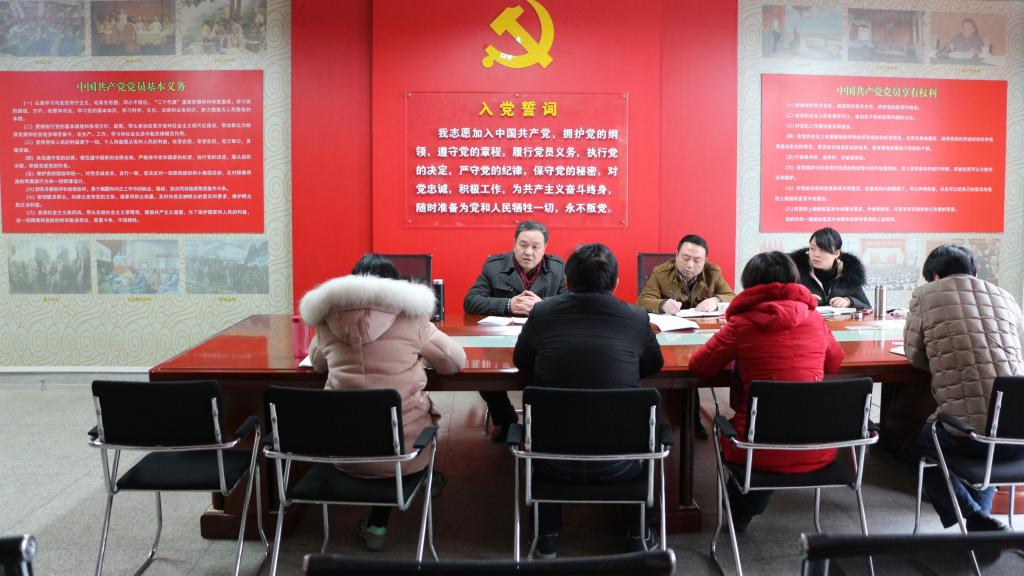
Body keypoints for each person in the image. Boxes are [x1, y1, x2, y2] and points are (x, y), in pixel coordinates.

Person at [299, 254, 467, 551]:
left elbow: (317, 362)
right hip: (403, 452)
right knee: (401, 419)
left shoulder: (327, 319)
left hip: (342, 450)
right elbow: (454, 362)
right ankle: (413, 492)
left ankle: (377, 525)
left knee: (372, 421)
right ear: (396, 284)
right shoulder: (413, 318)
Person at [513, 243, 664, 558]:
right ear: (616, 282)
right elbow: (652, 365)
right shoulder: (637, 317)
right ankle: (637, 534)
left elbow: (522, 361)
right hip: (622, 463)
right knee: (645, 433)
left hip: (551, 462)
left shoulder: (542, 312)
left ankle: (546, 536)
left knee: (552, 429)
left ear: (567, 281)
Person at [689, 251, 845, 531]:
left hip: (756, 449)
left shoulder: (742, 324)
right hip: (818, 447)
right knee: (777, 423)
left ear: (749, 283)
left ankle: (741, 512)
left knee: (750, 431)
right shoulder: (814, 319)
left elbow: (699, 366)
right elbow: (835, 362)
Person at [902, 245, 1024, 533]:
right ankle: (982, 529)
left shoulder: (926, 295)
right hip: (1017, 434)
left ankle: (973, 515)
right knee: (988, 438)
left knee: (914, 449)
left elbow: (915, 356)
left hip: (968, 437)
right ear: (974, 271)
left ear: (934, 276)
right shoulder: (1006, 297)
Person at [464, 220, 567, 441]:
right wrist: (508, 304)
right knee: (485, 376)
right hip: (501, 342)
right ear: (514, 243)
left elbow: (570, 303)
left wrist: (542, 305)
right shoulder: (494, 266)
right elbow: (471, 301)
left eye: (535, 247)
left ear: (545, 248)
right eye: (523, 245)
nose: (528, 252)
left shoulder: (558, 268)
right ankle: (505, 419)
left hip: (542, 340)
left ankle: (540, 423)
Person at [637, 234, 736, 315]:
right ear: (676, 255)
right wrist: (663, 305)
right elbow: (642, 301)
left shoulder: (713, 273)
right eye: (686, 258)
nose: (689, 265)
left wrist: (716, 300)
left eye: (697, 260)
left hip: (702, 326)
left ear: (705, 261)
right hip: (672, 328)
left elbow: (732, 297)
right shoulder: (660, 273)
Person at [789, 227, 870, 310]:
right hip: (807, 318)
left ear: (837, 253)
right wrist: (801, 298)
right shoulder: (794, 271)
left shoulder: (849, 274)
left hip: (838, 319)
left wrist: (849, 301)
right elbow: (782, 302)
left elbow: (867, 306)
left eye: (823, 250)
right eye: (812, 248)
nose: (816, 254)